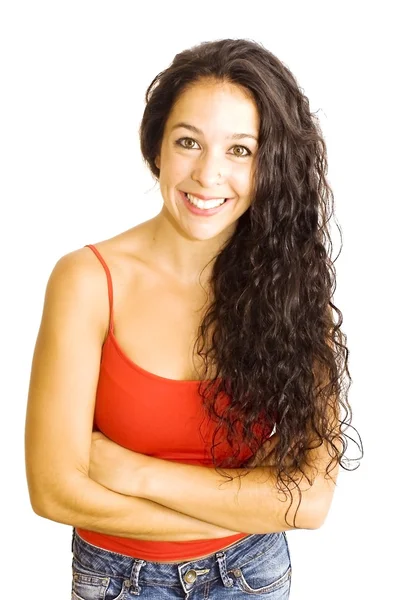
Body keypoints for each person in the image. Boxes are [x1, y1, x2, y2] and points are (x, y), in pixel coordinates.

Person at [25, 38, 360, 599]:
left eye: (240, 150)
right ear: (156, 146)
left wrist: (135, 473)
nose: (208, 175)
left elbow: (310, 499)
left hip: (252, 577)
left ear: (270, 164)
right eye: (189, 142)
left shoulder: (294, 291)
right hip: (117, 581)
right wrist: (251, 508)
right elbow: (55, 492)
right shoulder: (86, 281)